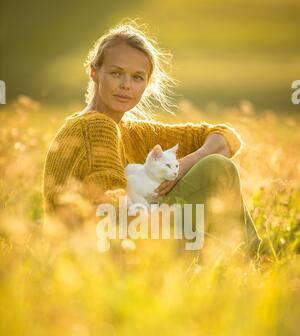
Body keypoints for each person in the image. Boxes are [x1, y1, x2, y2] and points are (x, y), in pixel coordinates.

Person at [43, 19, 262, 260]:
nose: (126, 85)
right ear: (94, 73)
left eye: (137, 77)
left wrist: (184, 166)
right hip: (108, 253)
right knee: (216, 168)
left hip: (121, 241)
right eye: (116, 73)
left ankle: (241, 256)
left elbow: (225, 138)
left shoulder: (133, 132)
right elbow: (113, 206)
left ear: (147, 84)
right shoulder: (95, 125)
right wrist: (203, 239)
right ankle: (253, 258)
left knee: (214, 163)